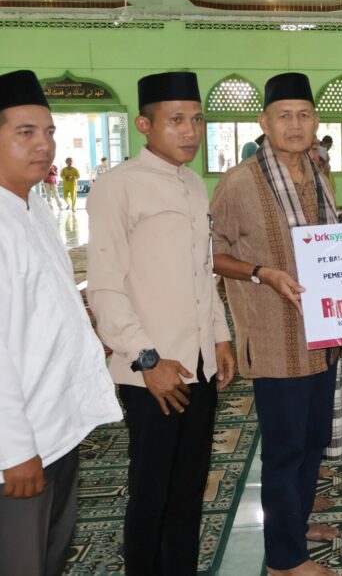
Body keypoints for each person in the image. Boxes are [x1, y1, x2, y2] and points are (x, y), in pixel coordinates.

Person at [0, 70, 122, 575]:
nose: (44, 145)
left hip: (56, 428)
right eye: (25, 132)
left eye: (48, 132)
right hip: (15, 447)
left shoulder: (32, 207)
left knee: (49, 558)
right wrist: (14, 452)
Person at [87, 72, 236, 576]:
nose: (190, 131)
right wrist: (146, 359)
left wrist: (220, 336)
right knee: (151, 491)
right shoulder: (117, 187)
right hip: (152, 373)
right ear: (144, 125)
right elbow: (105, 287)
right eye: (176, 120)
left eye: (197, 119)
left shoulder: (193, 184)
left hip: (198, 367)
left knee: (189, 487)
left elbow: (203, 271)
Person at [210, 72, 339, 576]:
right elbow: (210, 252)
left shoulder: (320, 175)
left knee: (313, 441)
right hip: (273, 339)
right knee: (284, 451)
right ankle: (284, 561)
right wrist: (262, 273)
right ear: (264, 122)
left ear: (316, 121)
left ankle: (296, 524)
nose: (295, 125)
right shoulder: (239, 182)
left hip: (323, 338)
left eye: (303, 115)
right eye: (284, 116)